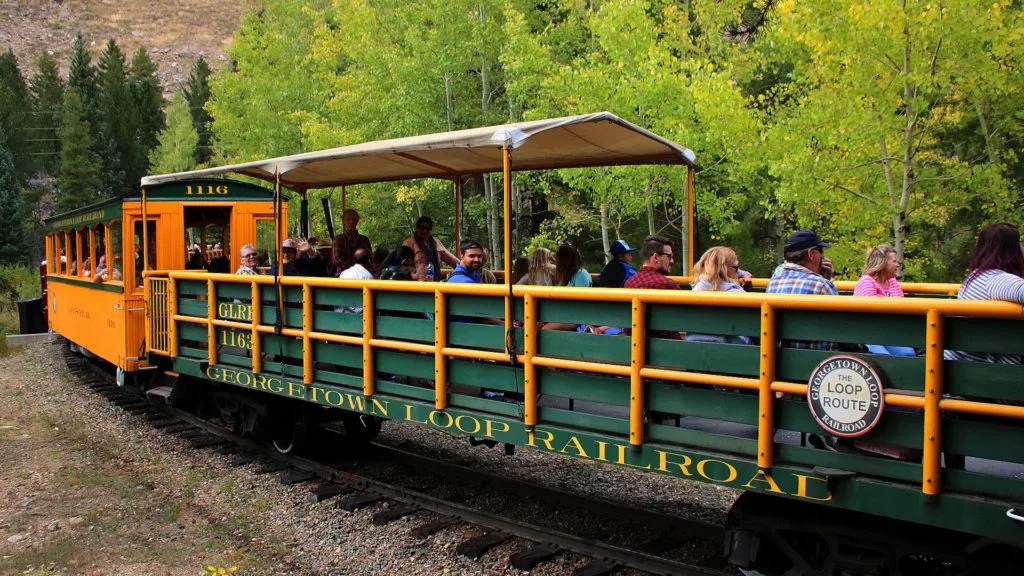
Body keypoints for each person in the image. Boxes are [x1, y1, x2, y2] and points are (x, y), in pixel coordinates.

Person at [945, 222, 1024, 364]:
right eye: (1020, 243)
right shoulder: (994, 280)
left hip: (962, 365)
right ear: (1012, 250)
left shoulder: (978, 276)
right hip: (985, 373)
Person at [854, 244, 914, 356]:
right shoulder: (866, 281)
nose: (898, 265)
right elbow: (868, 313)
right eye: (894, 261)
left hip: (891, 332)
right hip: (869, 334)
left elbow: (903, 308)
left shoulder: (893, 283)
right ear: (882, 263)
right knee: (883, 358)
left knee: (908, 354)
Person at [685, 246, 752, 345]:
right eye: (737, 267)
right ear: (725, 269)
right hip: (730, 351)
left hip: (693, 346)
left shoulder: (698, 288)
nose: (738, 272)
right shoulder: (735, 294)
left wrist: (744, 273)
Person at [766, 230, 837, 296]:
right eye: (821, 251)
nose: (822, 256)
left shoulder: (773, 283)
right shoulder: (822, 286)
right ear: (811, 254)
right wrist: (826, 281)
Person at [403, 216, 459, 281]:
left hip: (435, 283)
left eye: (428, 228)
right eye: (422, 228)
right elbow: (402, 267)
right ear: (417, 228)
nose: (425, 230)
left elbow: (452, 260)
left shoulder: (435, 242)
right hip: (416, 285)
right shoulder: (409, 243)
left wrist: (466, 268)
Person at [332, 209, 373, 273]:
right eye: (348, 219)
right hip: (344, 274)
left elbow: (370, 258)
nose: (351, 222)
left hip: (363, 273)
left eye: (354, 219)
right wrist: (355, 268)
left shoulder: (364, 239)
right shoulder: (339, 239)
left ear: (357, 221)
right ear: (343, 221)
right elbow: (337, 259)